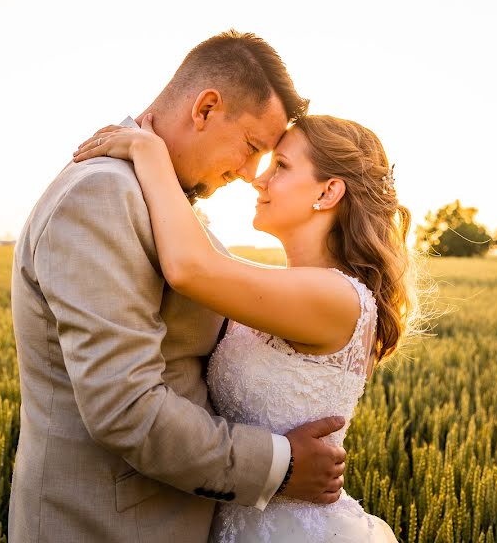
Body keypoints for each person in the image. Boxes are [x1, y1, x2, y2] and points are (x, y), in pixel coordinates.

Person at [8, 30, 348, 543]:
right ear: (206, 108)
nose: (249, 173)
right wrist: (280, 465)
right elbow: (125, 407)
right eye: (253, 147)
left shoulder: (161, 198)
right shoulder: (101, 193)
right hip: (108, 526)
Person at [73, 111, 415, 542]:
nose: (259, 178)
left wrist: (150, 151)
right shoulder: (282, 287)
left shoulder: (336, 297)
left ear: (328, 192)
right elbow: (202, 258)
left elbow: (189, 267)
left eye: (281, 166)